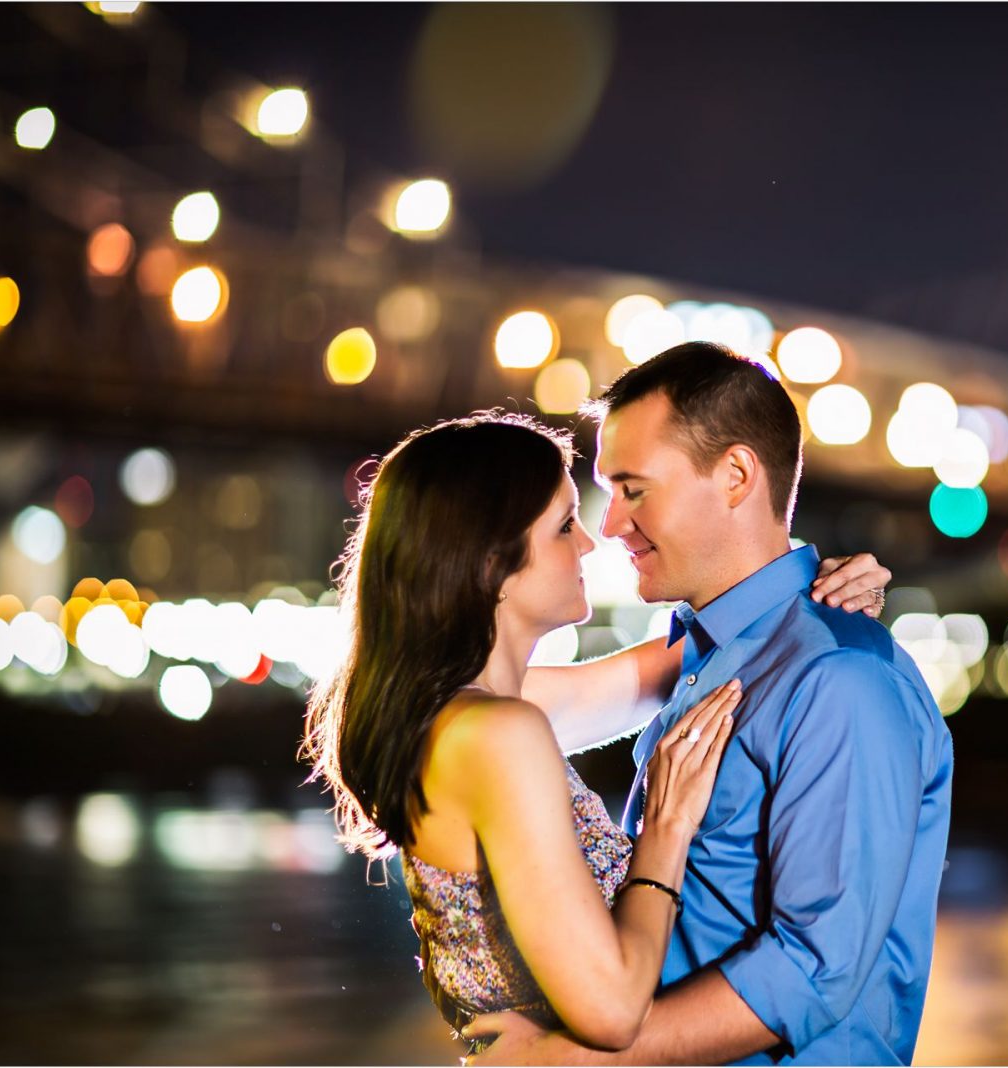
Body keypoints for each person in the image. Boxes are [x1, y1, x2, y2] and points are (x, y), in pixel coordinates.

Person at [300, 408, 892, 1058]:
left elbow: (675, 666)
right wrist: (665, 828)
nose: (589, 543)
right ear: (489, 564)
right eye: (563, 526)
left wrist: (813, 589)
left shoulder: (463, 714)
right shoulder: (498, 733)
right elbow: (612, 1013)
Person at [465, 342, 955, 1066]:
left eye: (633, 489)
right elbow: (475, 702)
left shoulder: (842, 678)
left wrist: (577, 1061)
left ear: (734, 476)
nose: (609, 527)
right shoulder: (707, 656)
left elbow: (815, 972)